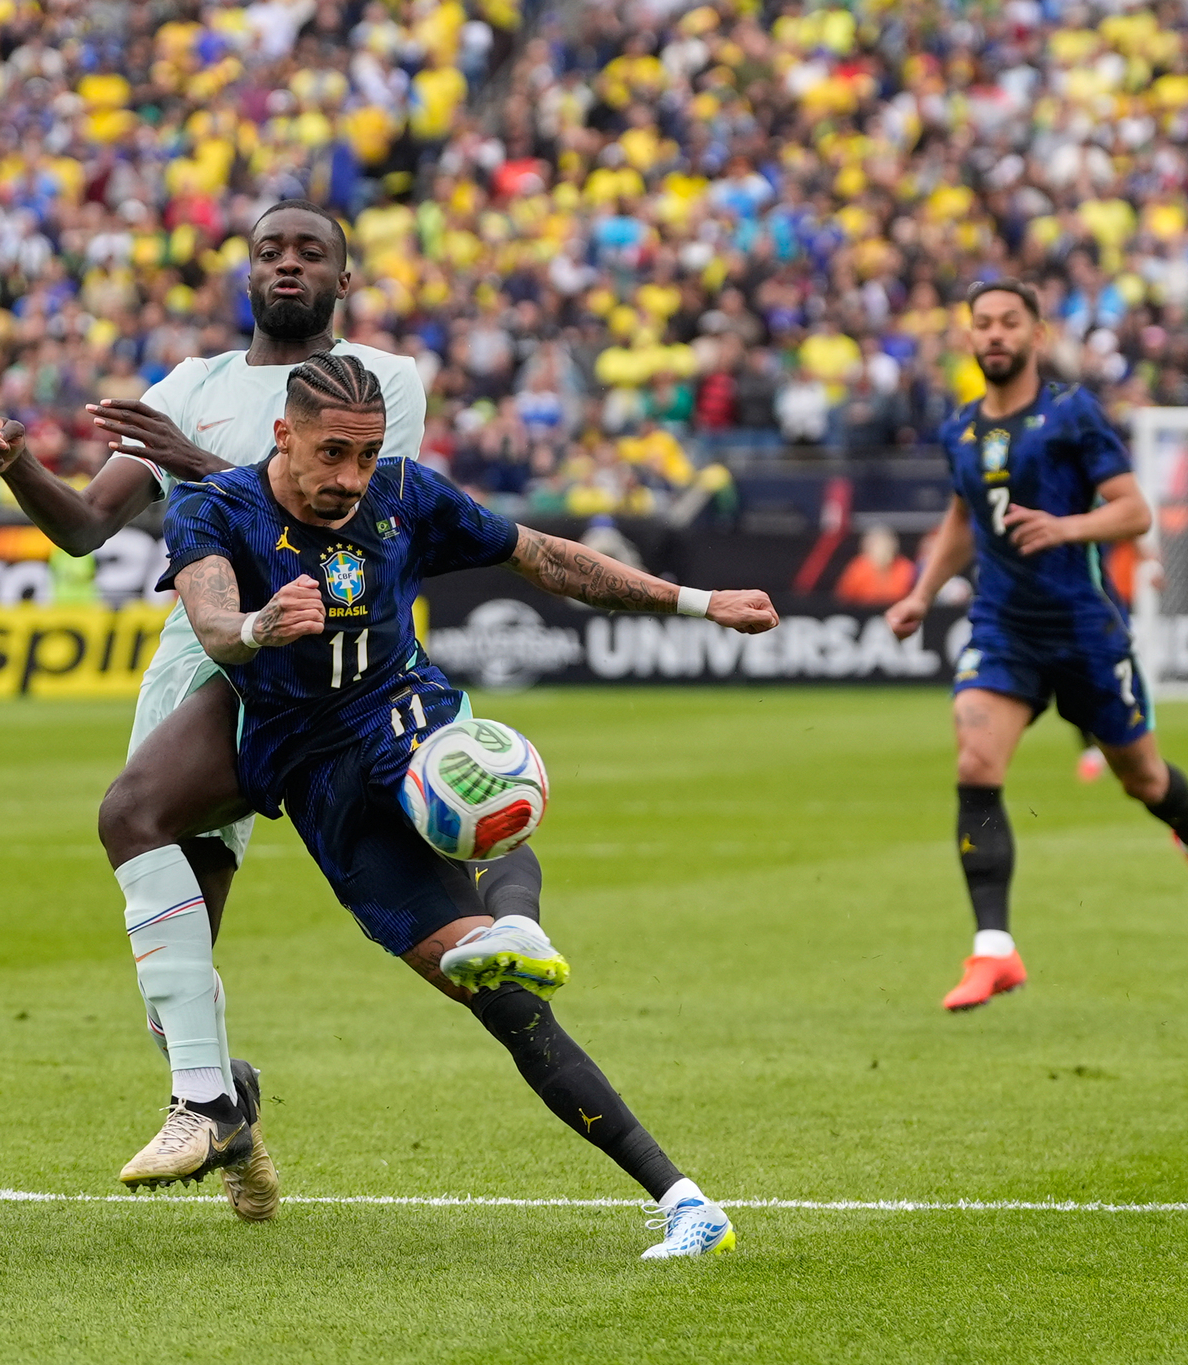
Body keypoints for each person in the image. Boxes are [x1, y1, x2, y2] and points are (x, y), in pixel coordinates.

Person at [161, 353, 779, 1258]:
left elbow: (543, 557)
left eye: (366, 456)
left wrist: (697, 600)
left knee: (471, 777)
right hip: (315, 779)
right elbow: (213, 622)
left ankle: (525, 935)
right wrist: (259, 625)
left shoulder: (406, 494)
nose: (351, 478)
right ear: (283, 434)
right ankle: (685, 1198)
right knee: (510, 1008)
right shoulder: (211, 508)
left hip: (400, 710)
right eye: (333, 454)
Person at [0, 201, 497, 1219]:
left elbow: (342, 516)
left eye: (310, 252)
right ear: (245, 273)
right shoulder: (193, 387)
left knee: (148, 834)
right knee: (174, 961)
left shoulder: (379, 382)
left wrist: (187, 459)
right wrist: (16, 464)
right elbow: (85, 526)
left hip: (318, 664)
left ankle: (212, 1099)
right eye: (269, 251)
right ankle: (227, 1107)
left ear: (342, 279)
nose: (287, 264)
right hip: (198, 655)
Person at [886, 279, 1188, 1013]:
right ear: (969, 336)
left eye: (1008, 322)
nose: (994, 333)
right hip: (1003, 626)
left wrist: (1066, 527)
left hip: (1085, 629)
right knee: (975, 761)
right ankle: (994, 949)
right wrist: (922, 593)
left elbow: (1134, 511)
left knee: (1143, 780)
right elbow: (963, 519)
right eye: (982, 323)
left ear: (1035, 334)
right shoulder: (960, 431)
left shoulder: (1071, 413)